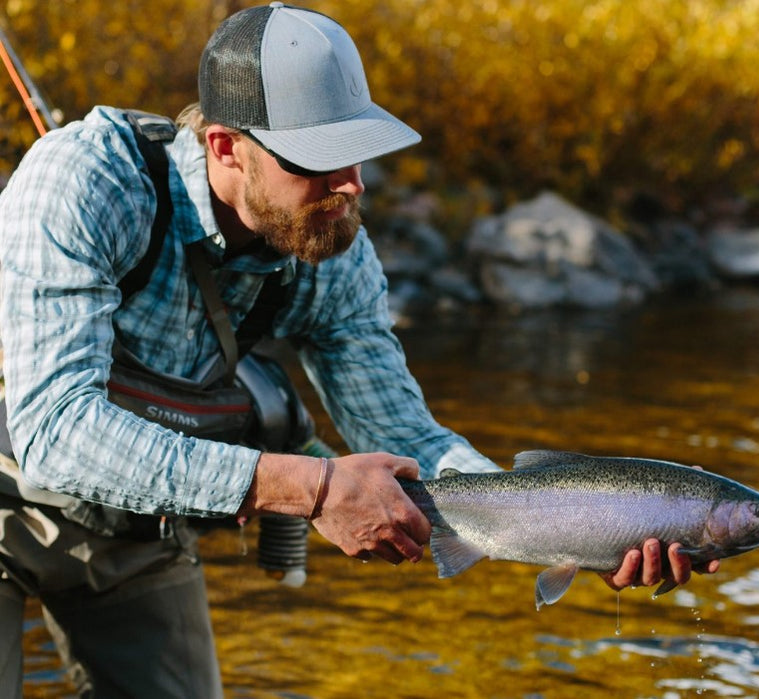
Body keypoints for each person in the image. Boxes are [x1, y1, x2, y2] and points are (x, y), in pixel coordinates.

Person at [0, 3, 716, 696]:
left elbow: (404, 435)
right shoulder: (87, 184)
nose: (352, 185)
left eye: (360, 153)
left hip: (141, 534)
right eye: (322, 159)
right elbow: (54, 429)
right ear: (225, 146)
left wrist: (577, 528)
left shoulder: (332, 245)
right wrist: (310, 489)